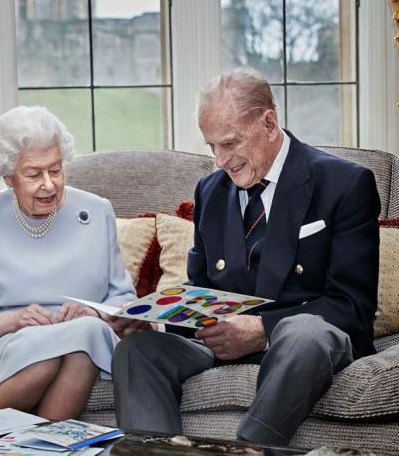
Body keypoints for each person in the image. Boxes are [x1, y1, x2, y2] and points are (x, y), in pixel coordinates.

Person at [112, 68, 380, 445]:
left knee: (304, 332)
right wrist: (155, 320)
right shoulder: (211, 190)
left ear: (268, 122)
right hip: (222, 346)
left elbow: (352, 306)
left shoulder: (344, 184)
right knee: (137, 350)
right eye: (211, 147)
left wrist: (261, 331)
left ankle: (247, 451)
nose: (220, 160)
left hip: (299, 347)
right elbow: (202, 290)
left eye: (230, 143)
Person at [0, 105, 138, 420]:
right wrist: (16, 319)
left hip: (85, 332)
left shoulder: (97, 210)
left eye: (56, 170)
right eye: (34, 174)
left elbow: (124, 299)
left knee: (82, 338)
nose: (49, 184)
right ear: (9, 178)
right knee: (54, 353)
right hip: (10, 336)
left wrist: (93, 311)